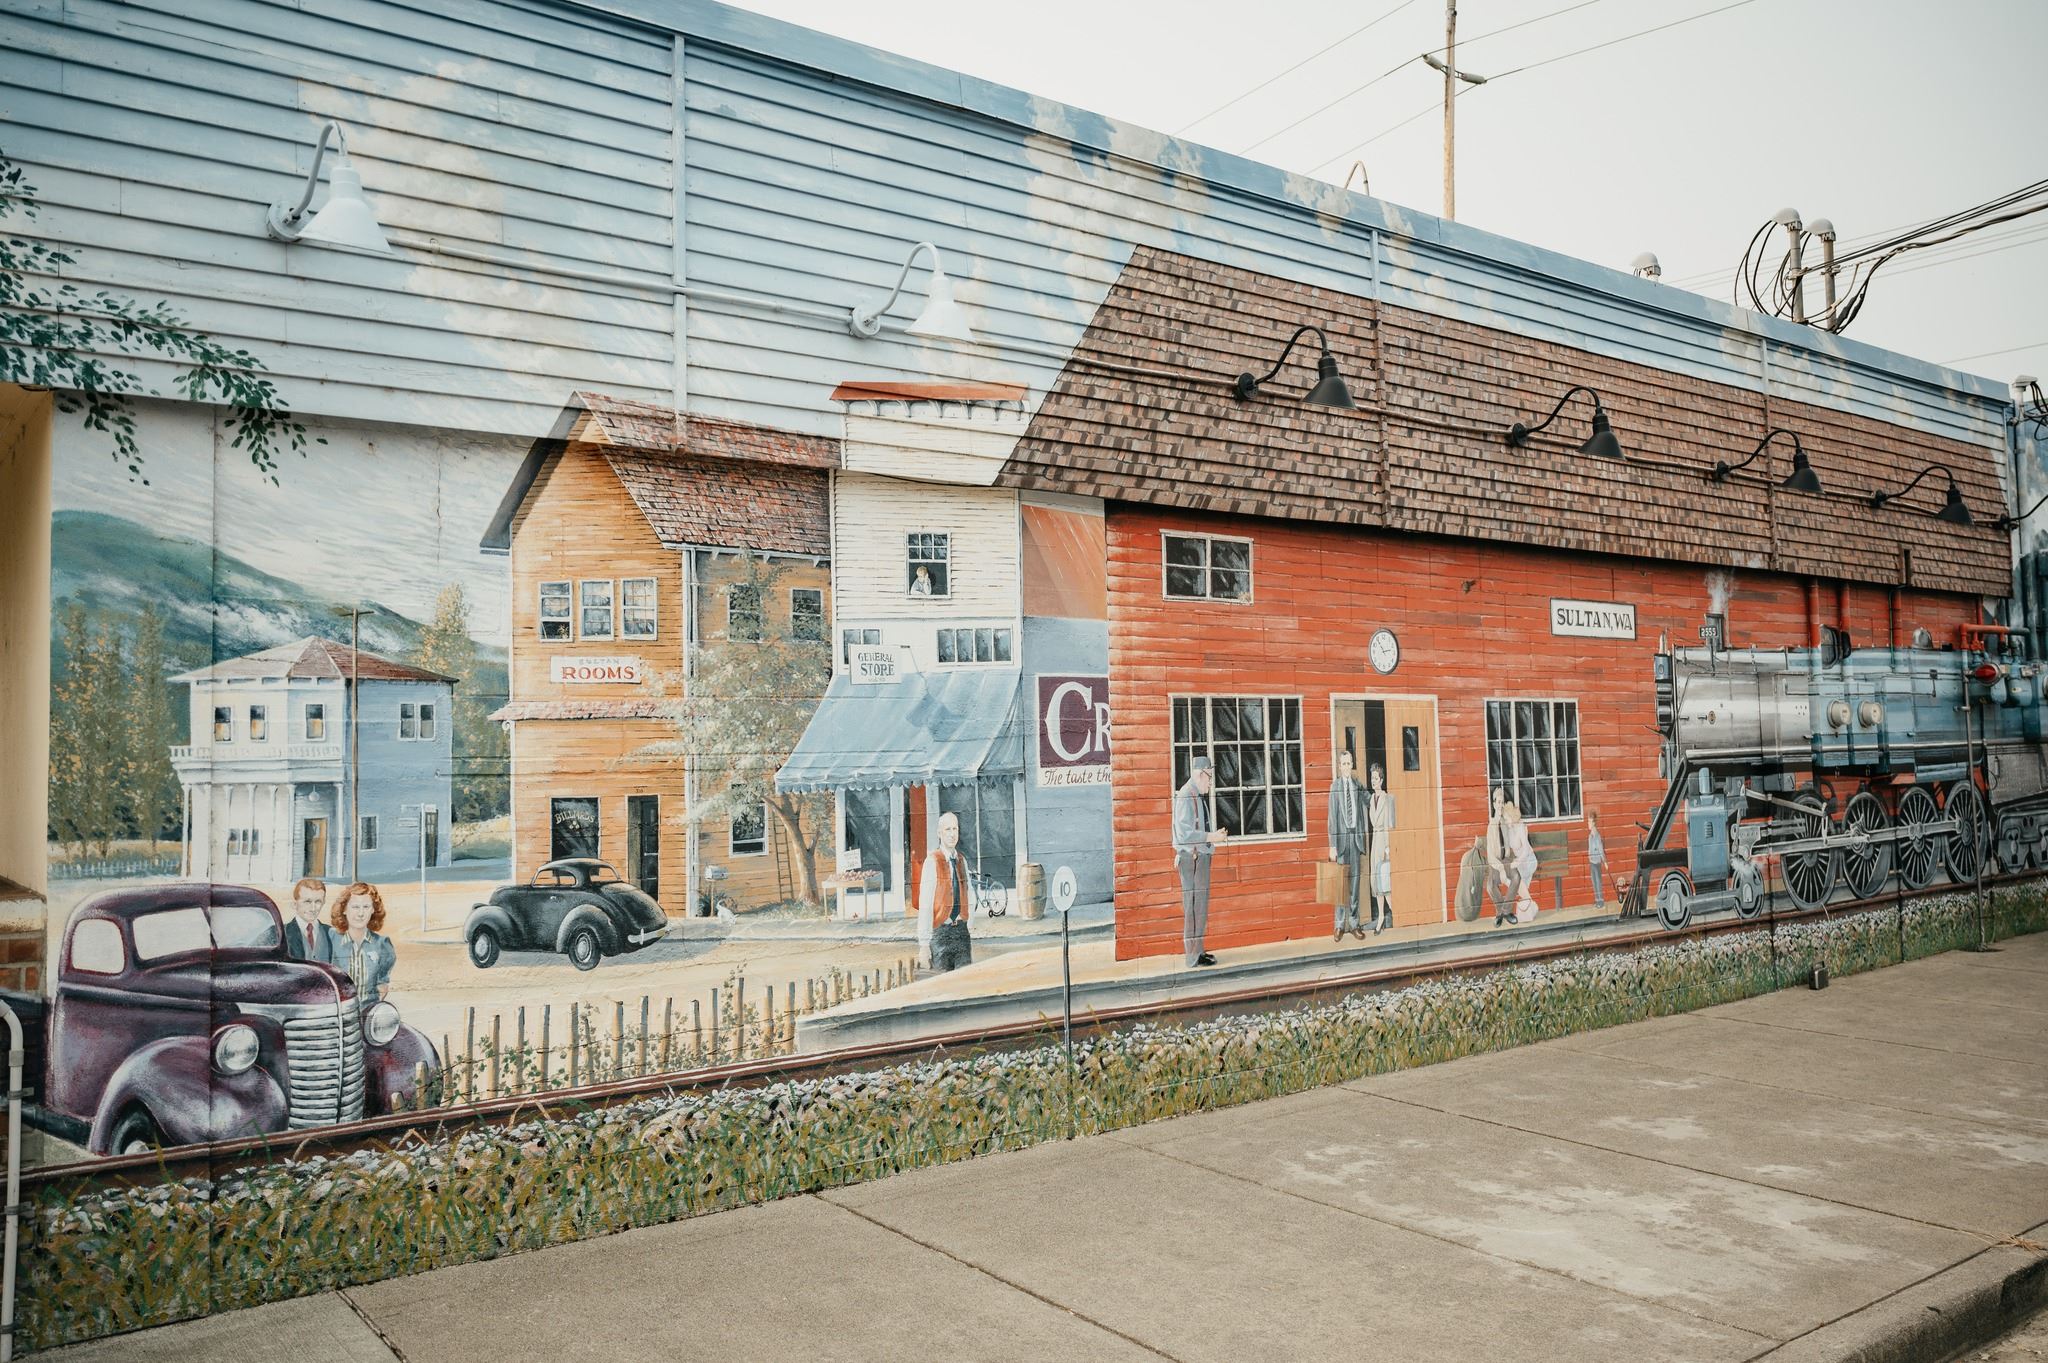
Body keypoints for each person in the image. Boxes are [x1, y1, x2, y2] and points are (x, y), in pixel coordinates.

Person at [1172, 756, 1227, 967]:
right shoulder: (1186, 795)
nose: (1211, 782)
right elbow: (1184, 834)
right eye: (1209, 777)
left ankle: (1198, 951)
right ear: (1199, 774)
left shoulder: (1195, 794)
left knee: (1200, 907)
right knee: (1193, 908)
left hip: (1199, 857)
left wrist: (1211, 837)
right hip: (1191, 859)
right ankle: (1192, 957)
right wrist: (1212, 837)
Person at [917, 811, 973, 973]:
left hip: (961, 933)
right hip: (941, 934)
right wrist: (924, 945)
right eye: (948, 829)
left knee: (965, 982)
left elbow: (969, 895)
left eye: (955, 829)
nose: (952, 834)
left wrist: (969, 924)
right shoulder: (932, 861)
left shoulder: (962, 860)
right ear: (939, 833)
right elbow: (926, 904)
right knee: (942, 983)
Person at [328, 881, 397, 1012]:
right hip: (335, 1015)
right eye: (355, 907)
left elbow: (382, 987)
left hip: (367, 1015)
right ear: (344, 909)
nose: (360, 913)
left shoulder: (382, 944)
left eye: (366, 907)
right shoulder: (330, 938)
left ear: (373, 910)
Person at [1326, 750, 1369, 941]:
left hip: (1355, 839)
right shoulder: (1334, 787)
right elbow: (1332, 819)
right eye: (1343, 764)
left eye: (1348, 763)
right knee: (1341, 885)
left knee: (1355, 884)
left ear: (1352, 765)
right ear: (1339, 766)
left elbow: (1369, 800)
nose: (1346, 767)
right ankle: (1339, 925)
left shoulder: (1357, 785)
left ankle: (1354, 924)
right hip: (1341, 842)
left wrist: (1381, 793)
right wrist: (1332, 846)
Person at [1367, 761, 1397, 933]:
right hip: (1374, 842)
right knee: (1376, 882)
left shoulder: (1387, 799)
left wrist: (1387, 847)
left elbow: (1388, 824)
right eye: (1372, 778)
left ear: (1382, 780)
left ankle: (1394, 912)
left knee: (1385, 881)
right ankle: (1380, 917)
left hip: (1383, 843)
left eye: (1376, 778)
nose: (1373, 781)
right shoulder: (1372, 799)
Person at [1502, 798, 1540, 922]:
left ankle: (1531, 905)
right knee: (1510, 880)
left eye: (1506, 818)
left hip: (1528, 860)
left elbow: (1525, 850)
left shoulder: (1520, 827)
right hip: (1520, 862)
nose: (1505, 820)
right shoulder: (1509, 829)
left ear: (1512, 817)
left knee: (1515, 880)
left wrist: (1517, 862)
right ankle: (1531, 904)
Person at [283, 876, 332, 963]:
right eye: (307, 902)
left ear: (323, 903)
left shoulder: (331, 933)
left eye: (318, 902)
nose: (313, 908)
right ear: (295, 904)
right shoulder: (280, 932)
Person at [1485, 786, 1514, 926]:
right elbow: (1490, 855)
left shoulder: (1505, 822)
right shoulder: (1491, 826)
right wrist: (1501, 868)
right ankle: (1502, 910)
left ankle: (1505, 911)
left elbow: (1513, 841)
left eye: (1503, 802)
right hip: (1496, 862)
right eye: (1498, 802)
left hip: (1507, 859)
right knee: (1490, 886)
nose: (1501, 805)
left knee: (1516, 877)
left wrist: (1510, 822)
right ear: (1494, 804)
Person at [1586, 808, 1612, 909]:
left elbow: (1601, 849)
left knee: (1598, 881)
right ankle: (1597, 899)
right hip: (1591, 861)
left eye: (1589, 821)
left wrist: (1605, 861)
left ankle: (1600, 901)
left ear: (1593, 823)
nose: (1588, 823)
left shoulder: (1597, 835)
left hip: (1597, 862)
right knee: (1593, 881)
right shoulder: (1590, 836)